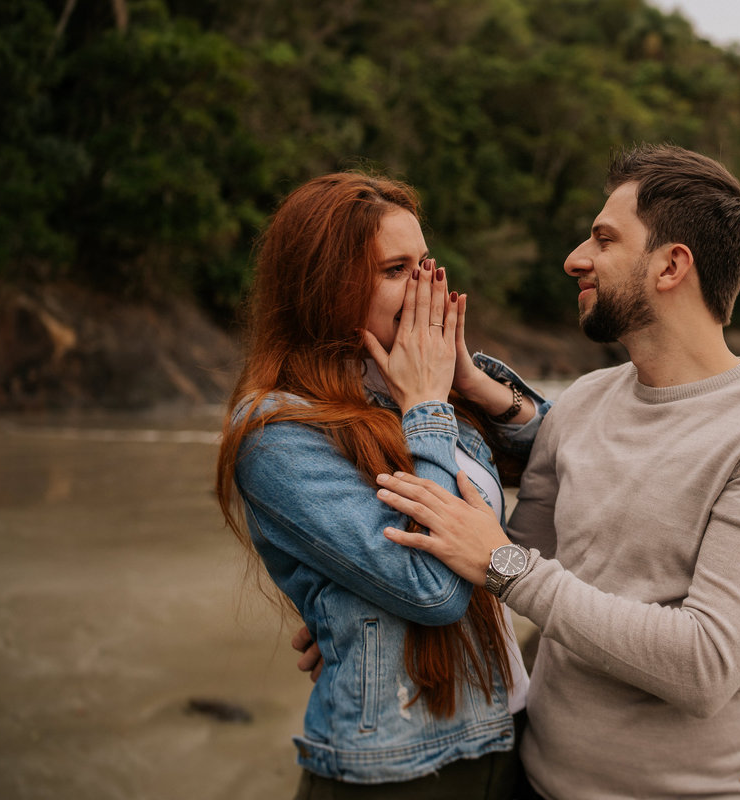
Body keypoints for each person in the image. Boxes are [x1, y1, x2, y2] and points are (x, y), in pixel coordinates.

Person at [370, 145, 740, 799]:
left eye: (603, 239)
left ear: (672, 266)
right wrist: (361, 616)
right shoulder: (583, 403)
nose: (574, 259)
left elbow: (704, 666)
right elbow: (484, 568)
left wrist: (508, 567)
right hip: (536, 778)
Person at [215, 171, 550, 799]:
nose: (424, 285)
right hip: (398, 765)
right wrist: (426, 404)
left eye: (425, 263)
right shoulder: (277, 430)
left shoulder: (421, 387)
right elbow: (433, 591)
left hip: (511, 734)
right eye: (395, 269)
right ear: (325, 285)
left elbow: (565, 463)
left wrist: (472, 385)